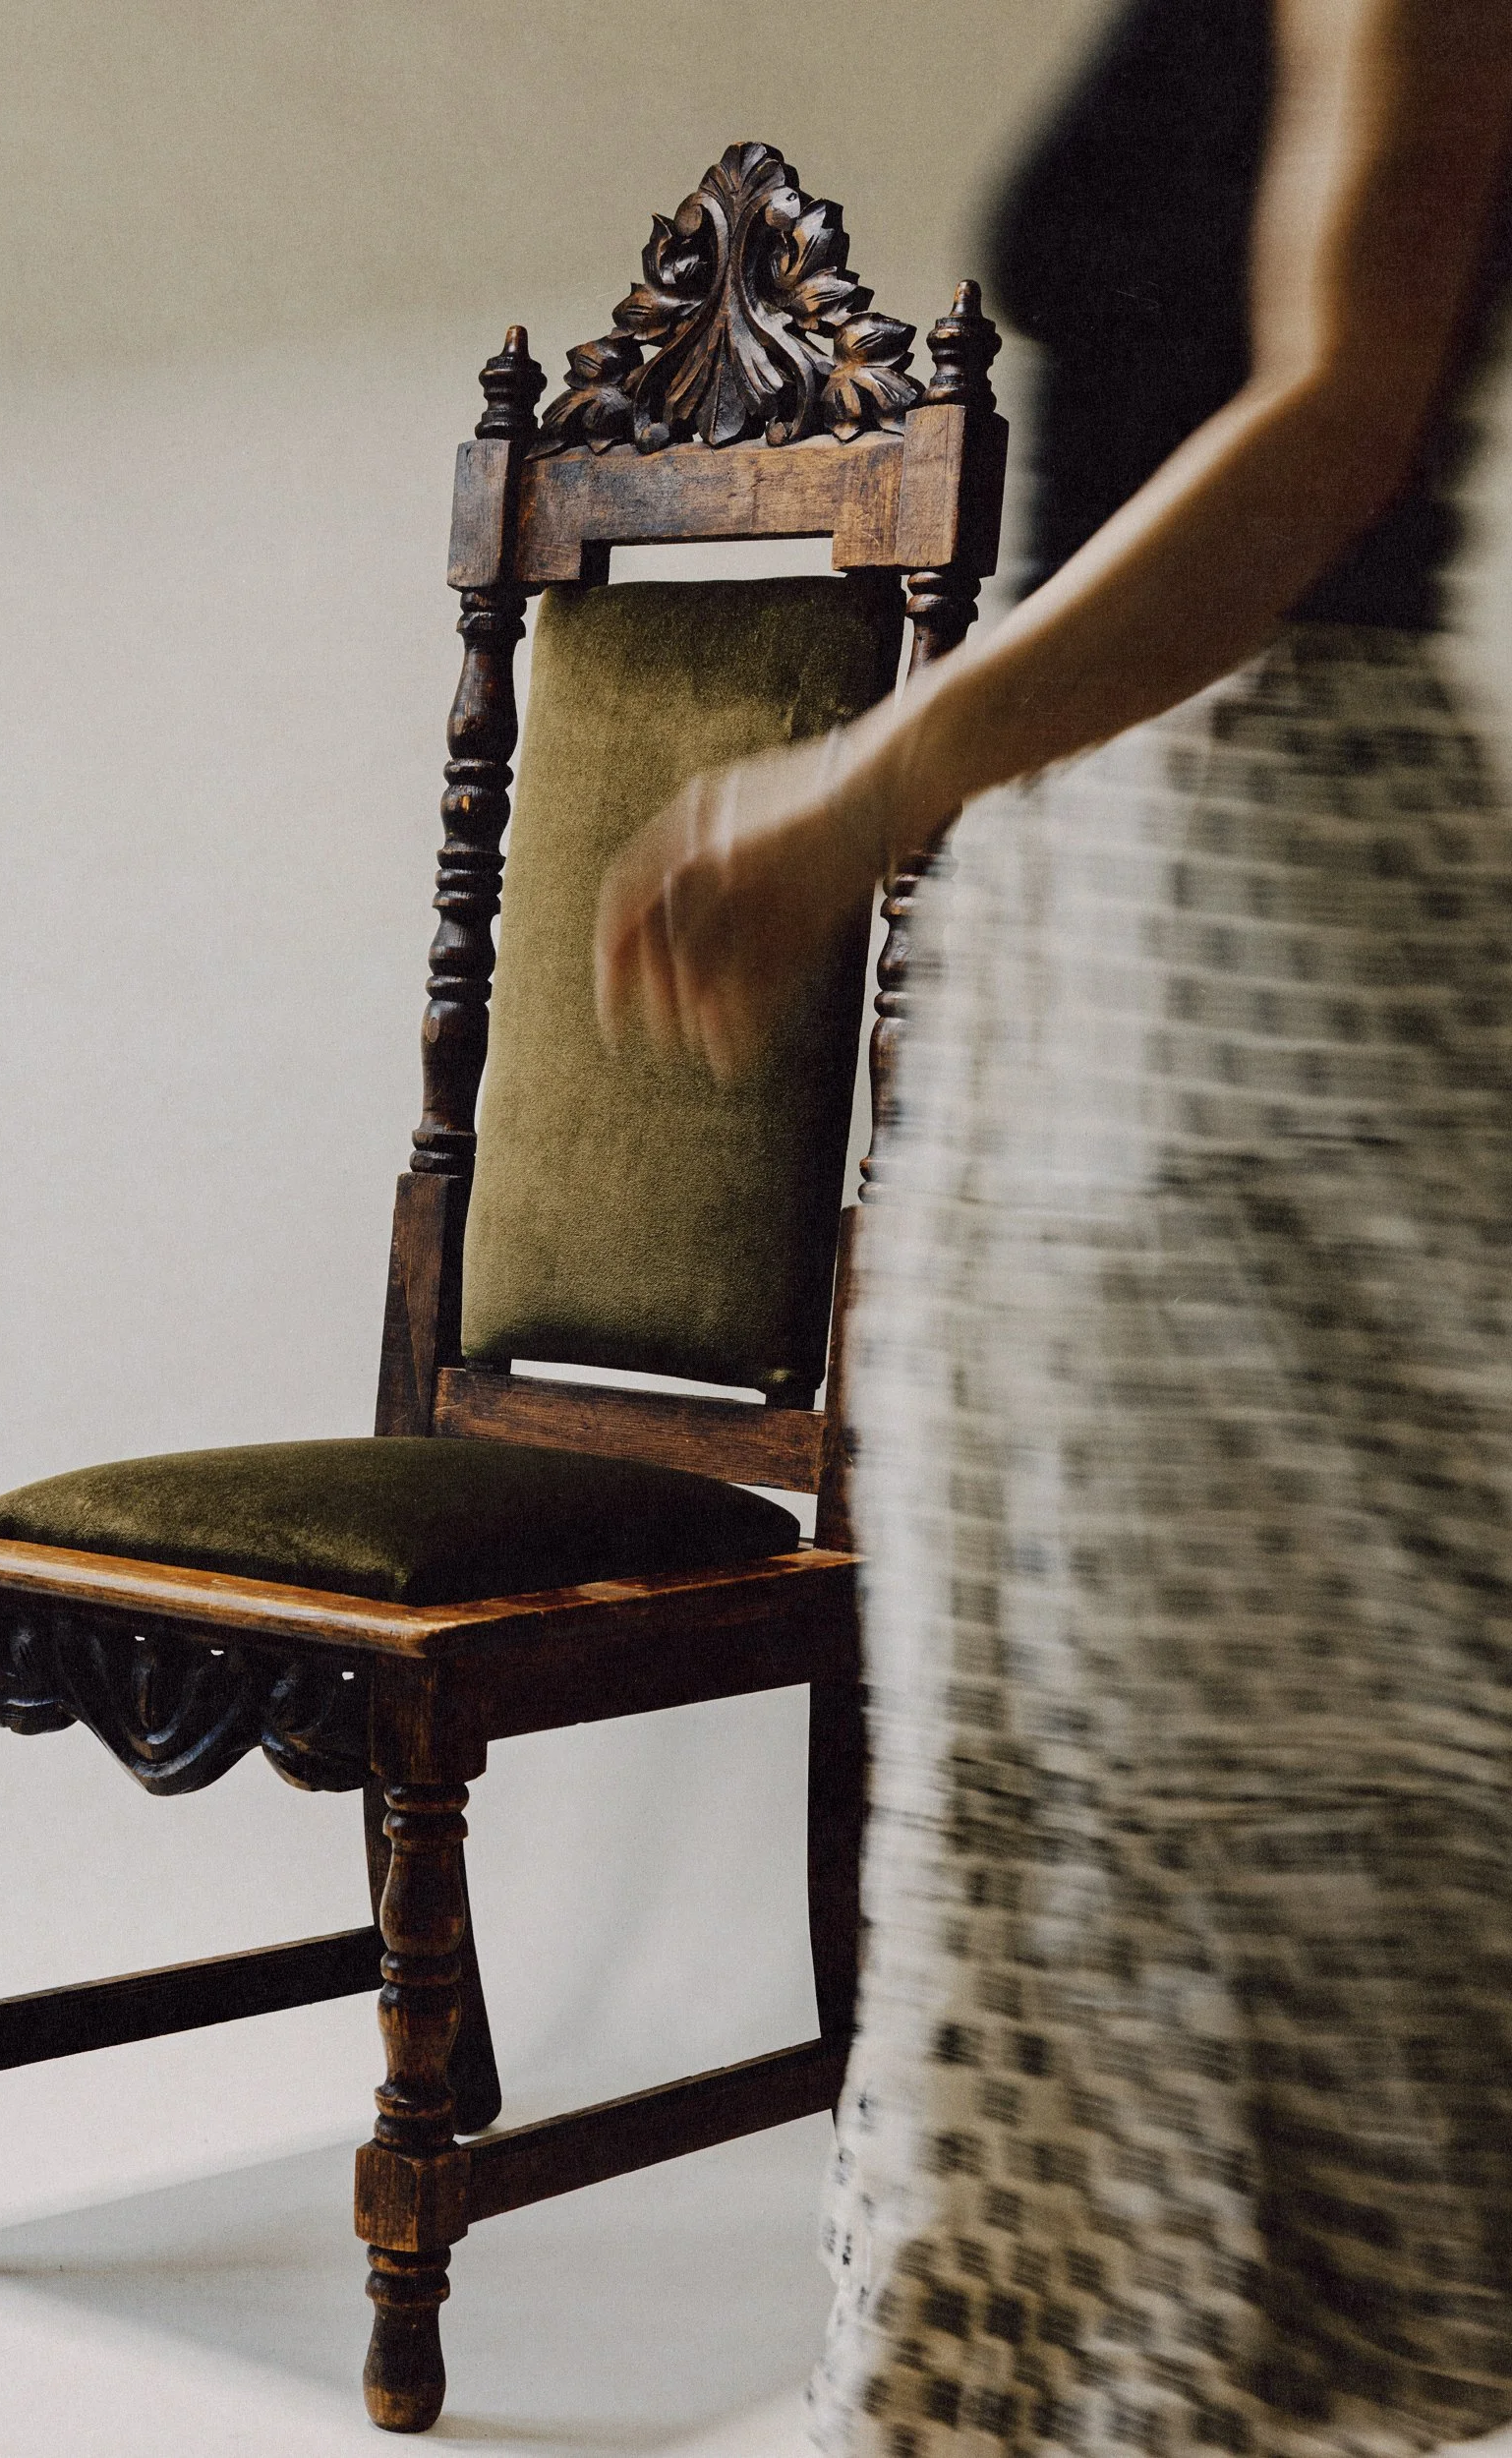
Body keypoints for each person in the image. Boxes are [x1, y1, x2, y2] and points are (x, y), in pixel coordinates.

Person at [596, 1, 1512, 2447]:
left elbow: (1335, 422)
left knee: (1267, 1756)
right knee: (1056, 1721)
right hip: (1095, 897)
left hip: (1265, 923)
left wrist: (868, 780)